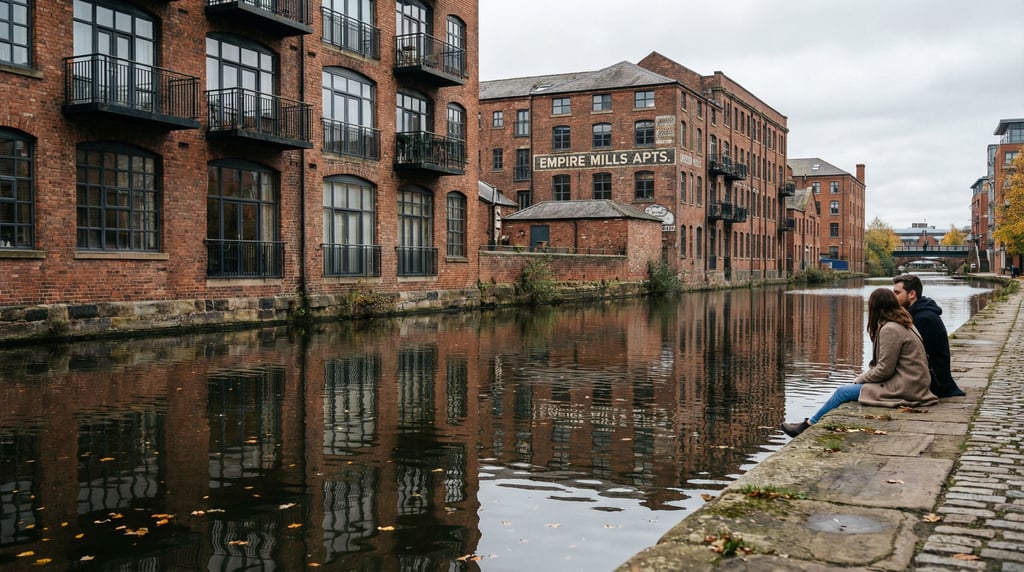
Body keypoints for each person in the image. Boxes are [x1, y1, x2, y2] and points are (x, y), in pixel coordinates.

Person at [780, 288, 938, 437]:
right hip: (914, 382)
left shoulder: (891, 329)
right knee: (851, 389)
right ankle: (809, 423)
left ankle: (807, 426)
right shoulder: (904, 323)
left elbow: (884, 370)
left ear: (875, 308)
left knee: (842, 392)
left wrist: (859, 379)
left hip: (907, 387)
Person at [892, 274, 966, 397]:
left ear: (911, 294)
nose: (893, 298)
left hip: (934, 384)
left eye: (897, 293)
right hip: (924, 379)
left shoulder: (924, 319)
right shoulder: (917, 314)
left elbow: (912, 357)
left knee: (858, 390)